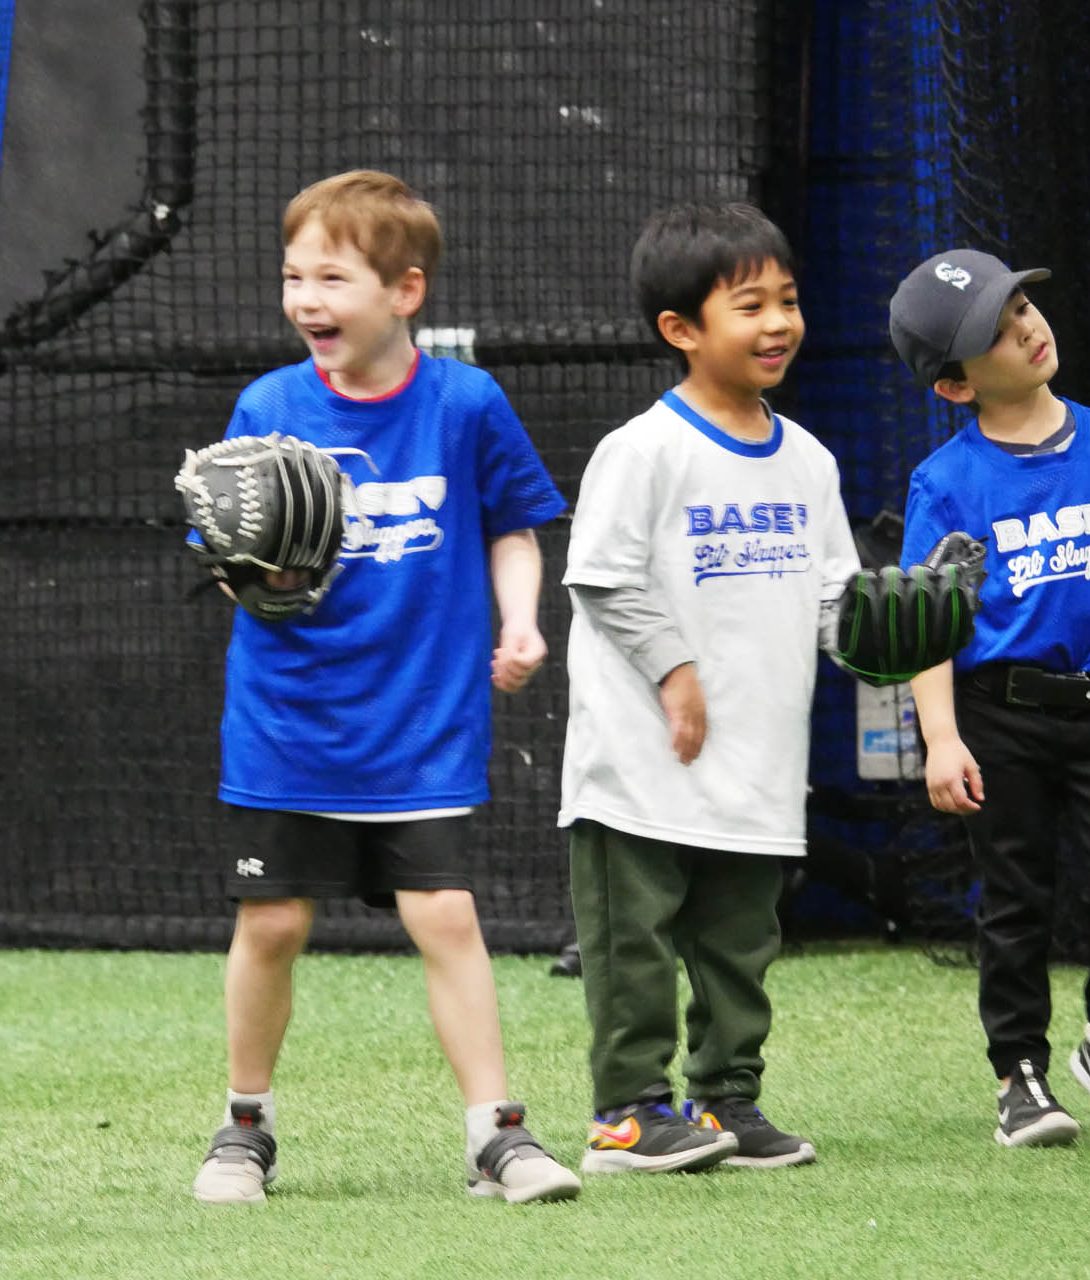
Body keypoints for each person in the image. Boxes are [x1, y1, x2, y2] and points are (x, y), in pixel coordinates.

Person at [189, 170, 580, 1206]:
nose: (306, 298)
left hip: (422, 718)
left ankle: (496, 1134)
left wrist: (523, 619)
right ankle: (243, 1126)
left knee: (445, 912)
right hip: (288, 719)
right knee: (271, 921)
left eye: (332, 276)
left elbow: (511, 522)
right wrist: (257, 565)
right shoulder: (268, 405)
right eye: (293, 276)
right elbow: (223, 544)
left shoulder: (465, 401)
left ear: (405, 291)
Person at [887, 248, 1090, 1146]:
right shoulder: (946, 484)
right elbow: (926, 629)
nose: (1027, 328)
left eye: (1021, 306)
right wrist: (943, 739)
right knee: (1015, 897)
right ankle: (1019, 1075)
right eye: (995, 333)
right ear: (954, 388)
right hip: (1001, 717)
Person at [559, 202, 857, 1174]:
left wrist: (889, 631)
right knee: (634, 941)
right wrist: (676, 672)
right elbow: (604, 576)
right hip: (641, 758)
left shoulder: (810, 459)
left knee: (741, 940)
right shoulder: (643, 449)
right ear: (681, 330)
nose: (778, 322)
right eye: (750, 304)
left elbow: (836, 596)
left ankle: (724, 1098)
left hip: (756, 758)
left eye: (789, 299)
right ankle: (627, 1111)